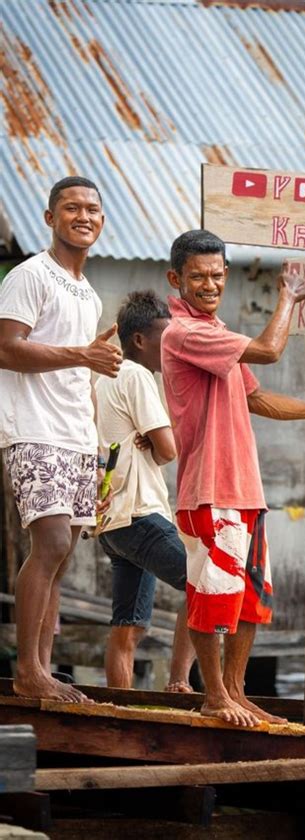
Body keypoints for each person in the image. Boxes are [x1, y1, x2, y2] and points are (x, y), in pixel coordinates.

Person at [161, 229, 305, 727]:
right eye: (198, 276)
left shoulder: (217, 334)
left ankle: (236, 692)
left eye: (218, 274)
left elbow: (257, 398)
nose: (210, 283)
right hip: (209, 490)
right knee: (212, 595)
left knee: (250, 602)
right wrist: (288, 297)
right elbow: (270, 349)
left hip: (244, 490)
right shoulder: (185, 332)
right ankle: (215, 695)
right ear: (177, 280)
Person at [0, 176, 122, 702]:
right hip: (33, 430)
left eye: (93, 208)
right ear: (50, 218)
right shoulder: (31, 275)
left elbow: (81, 380)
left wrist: (97, 454)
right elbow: (7, 349)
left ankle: (43, 670)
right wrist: (81, 354)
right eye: (71, 207)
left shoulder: (88, 293)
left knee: (64, 551)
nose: (84, 215)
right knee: (48, 542)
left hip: (75, 437)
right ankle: (28, 670)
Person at [94, 290, 195, 691]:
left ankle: (120, 708)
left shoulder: (102, 377)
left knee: (127, 627)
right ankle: (180, 684)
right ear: (139, 340)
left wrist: (148, 439)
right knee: (204, 584)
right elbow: (168, 449)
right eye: (164, 337)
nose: (170, 347)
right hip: (140, 513)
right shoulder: (136, 375)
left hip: (112, 523)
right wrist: (155, 441)